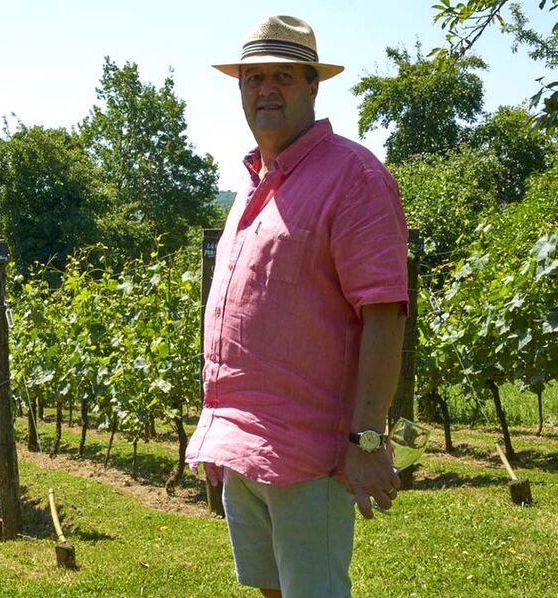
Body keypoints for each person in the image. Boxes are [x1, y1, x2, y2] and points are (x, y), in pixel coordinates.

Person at [185, 15, 409, 598]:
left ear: (313, 85)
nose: (266, 89)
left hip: (310, 453)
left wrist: (366, 441)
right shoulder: (252, 183)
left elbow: (384, 314)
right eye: (253, 77)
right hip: (242, 445)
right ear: (239, 90)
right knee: (270, 590)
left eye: (283, 76)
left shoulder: (354, 177)